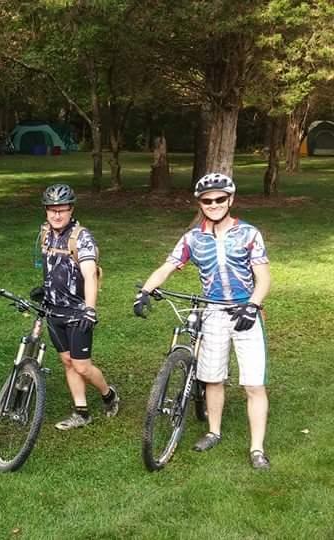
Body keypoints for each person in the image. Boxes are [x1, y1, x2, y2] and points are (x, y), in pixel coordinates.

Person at [134, 173, 271, 470]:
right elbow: (168, 266)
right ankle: (213, 431)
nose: (214, 204)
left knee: (254, 384)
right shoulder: (192, 238)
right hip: (213, 313)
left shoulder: (249, 234)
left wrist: (252, 305)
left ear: (230, 200)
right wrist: (145, 291)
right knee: (212, 377)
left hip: (245, 312)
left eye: (220, 199)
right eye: (207, 201)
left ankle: (257, 449)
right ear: (200, 204)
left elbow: (263, 278)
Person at [34, 184, 119, 431]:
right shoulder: (46, 233)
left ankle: (108, 394)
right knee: (67, 362)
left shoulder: (82, 237)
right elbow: (52, 266)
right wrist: (46, 289)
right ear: (46, 211)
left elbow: (90, 274)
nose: (56, 215)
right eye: (52, 210)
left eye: (61, 210)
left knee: (82, 365)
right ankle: (81, 411)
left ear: (71, 209)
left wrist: (90, 309)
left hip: (77, 312)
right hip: (54, 310)